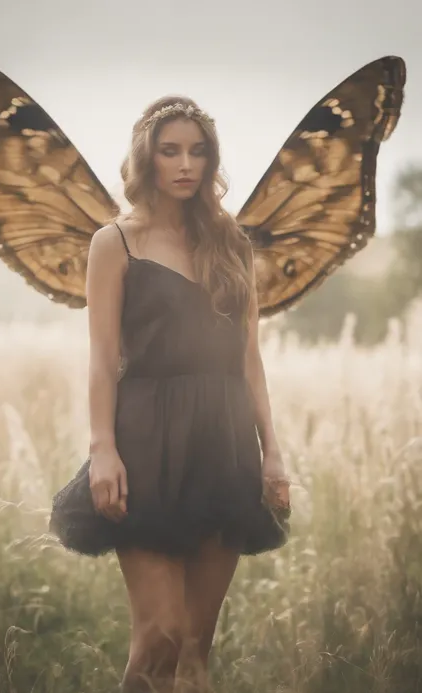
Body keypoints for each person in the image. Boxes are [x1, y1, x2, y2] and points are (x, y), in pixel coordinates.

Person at [49, 96, 291, 693]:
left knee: (195, 653)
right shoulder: (115, 243)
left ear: (212, 161)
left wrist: (273, 452)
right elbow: (103, 359)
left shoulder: (231, 242)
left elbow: (250, 360)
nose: (186, 164)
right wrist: (102, 447)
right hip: (147, 443)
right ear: (147, 158)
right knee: (160, 635)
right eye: (171, 150)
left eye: (198, 151)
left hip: (225, 440)